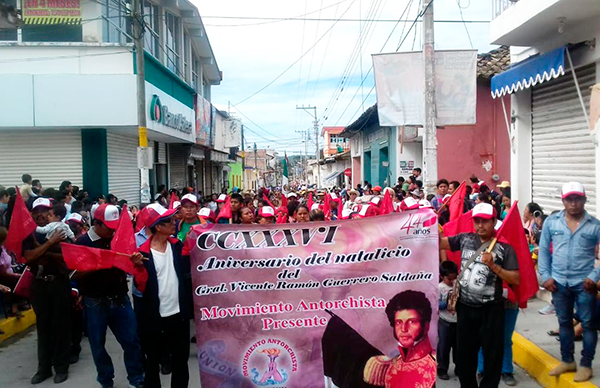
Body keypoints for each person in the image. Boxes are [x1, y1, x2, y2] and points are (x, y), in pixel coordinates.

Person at [439, 202, 520, 388]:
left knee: (493, 356)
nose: (480, 225)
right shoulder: (465, 239)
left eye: (485, 221)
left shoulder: (505, 248)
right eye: (477, 221)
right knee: (465, 356)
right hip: (466, 308)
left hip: (491, 310)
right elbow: (441, 242)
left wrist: (494, 266)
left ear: (494, 222)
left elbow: (515, 279)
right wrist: (429, 227)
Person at [75, 204, 144, 388]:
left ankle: (136, 378)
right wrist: (96, 264)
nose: (113, 231)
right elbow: (72, 274)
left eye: (115, 227)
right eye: (109, 227)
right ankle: (106, 379)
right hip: (95, 302)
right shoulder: (82, 243)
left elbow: (131, 265)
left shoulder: (118, 239)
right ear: (96, 224)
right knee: (97, 344)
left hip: (120, 299)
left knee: (132, 341)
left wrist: (135, 263)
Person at [538, 182, 600, 382]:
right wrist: (545, 276)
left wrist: (595, 275)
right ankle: (567, 360)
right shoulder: (551, 223)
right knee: (564, 323)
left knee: (588, 325)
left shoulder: (595, 225)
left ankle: (586, 365)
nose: (574, 203)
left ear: (584, 200)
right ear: (563, 201)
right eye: (569, 199)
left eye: (578, 199)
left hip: (585, 283)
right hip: (558, 283)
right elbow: (544, 251)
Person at [136, 206, 193, 388]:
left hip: (178, 315)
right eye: (170, 221)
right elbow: (139, 289)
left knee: (180, 361)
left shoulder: (177, 246)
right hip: (154, 319)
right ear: (158, 227)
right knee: (152, 363)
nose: (174, 222)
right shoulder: (142, 255)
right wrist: (137, 269)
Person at [22, 198, 71, 384]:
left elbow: (68, 257)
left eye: (45, 211)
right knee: (43, 327)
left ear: (51, 212)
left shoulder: (61, 230)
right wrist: (50, 244)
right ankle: (43, 368)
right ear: (32, 214)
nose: (41, 215)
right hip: (39, 284)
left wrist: (45, 252)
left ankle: (61, 367)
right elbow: (29, 257)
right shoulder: (29, 234)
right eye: (37, 211)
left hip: (59, 283)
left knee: (61, 325)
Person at [363, 290, 436, 388]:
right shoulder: (388, 364)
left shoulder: (434, 364)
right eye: (399, 322)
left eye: (412, 322)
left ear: (426, 326)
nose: (403, 329)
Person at [437, 261, 458, 381]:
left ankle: (459, 368)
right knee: (444, 346)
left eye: (454, 278)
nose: (451, 281)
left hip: (458, 321)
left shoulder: (458, 285)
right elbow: (435, 305)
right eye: (449, 279)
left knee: (458, 347)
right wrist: (447, 303)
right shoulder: (440, 287)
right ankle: (442, 369)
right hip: (445, 321)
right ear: (442, 277)